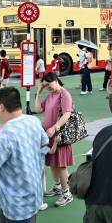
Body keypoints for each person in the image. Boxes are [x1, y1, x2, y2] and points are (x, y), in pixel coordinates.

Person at [0, 87, 48, 223]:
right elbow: (44, 143)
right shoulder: (33, 121)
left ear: (2, 107)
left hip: (15, 203)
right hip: (34, 195)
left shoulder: (2, 134)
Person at [34, 72, 75, 207]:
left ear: (56, 80)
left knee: (60, 165)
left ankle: (66, 193)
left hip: (59, 135)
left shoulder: (64, 94)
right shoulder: (51, 95)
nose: (47, 87)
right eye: (45, 86)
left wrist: (55, 128)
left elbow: (67, 114)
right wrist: (39, 92)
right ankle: (58, 186)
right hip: (49, 135)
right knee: (52, 162)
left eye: (48, 84)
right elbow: (38, 109)